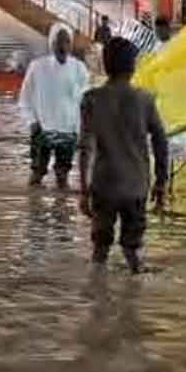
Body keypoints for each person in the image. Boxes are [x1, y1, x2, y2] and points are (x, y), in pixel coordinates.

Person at [78, 38, 169, 274]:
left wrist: (84, 189)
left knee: (100, 251)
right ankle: (135, 287)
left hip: (104, 185)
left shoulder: (92, 99)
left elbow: (86, 147)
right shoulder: (145, 100)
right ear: (133, 66)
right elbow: (161, 142)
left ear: (105, 64)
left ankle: (96, 291)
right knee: (133, 250)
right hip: (135, 186)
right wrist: (161, 182)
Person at [19, 24, 90, 189]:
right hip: (41, 129)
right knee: (36, 175)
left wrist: (80, 129)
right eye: (59, 42)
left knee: (63, 177)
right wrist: (32, 122)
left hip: (69, 130)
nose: (62, 46)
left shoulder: (79, 68)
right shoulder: (37, 67)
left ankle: (61, 205)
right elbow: (25, 98)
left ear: (71, 44)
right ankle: (34, 204)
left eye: (67, 41)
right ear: (51, 43)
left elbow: (85, 102)